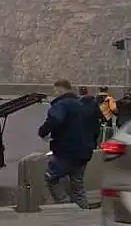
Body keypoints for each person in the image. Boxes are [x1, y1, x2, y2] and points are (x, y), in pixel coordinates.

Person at [38, 80, 95, 209]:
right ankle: (83, 211)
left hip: (66, 152)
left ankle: (66, 207)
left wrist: (43, 132)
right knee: (77, 186)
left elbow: (55, 119)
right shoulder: (82, 105)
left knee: (51, 178)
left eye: (55, 91)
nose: (55, 94)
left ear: (60, 90)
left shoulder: (62, 104)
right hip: (84, 152)